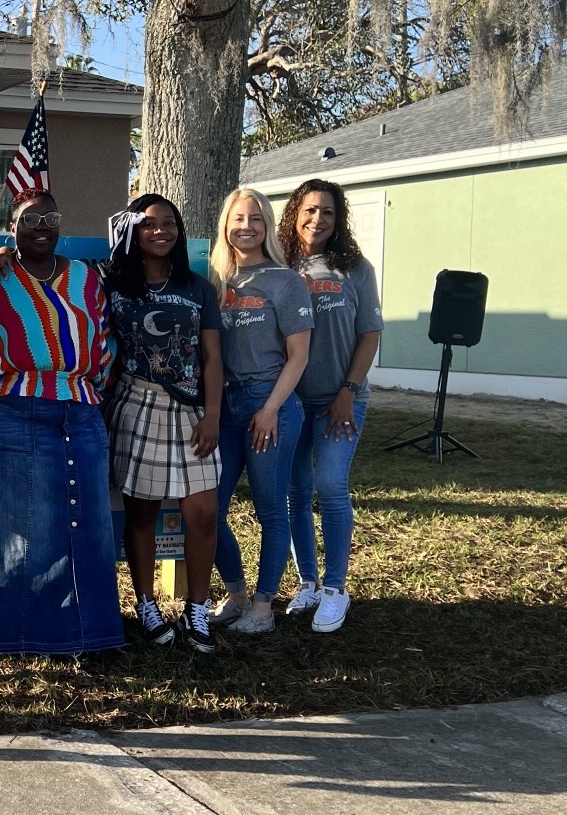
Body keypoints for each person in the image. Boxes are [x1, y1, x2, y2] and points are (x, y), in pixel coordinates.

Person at [0, 188, 123, 656]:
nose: (43, 226)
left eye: (51, 217)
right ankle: (12, 636)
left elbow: (105, 341)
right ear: (13, 228)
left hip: (81, 411)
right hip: (10, 408)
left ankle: (86, 634)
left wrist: (91, 387)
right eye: (31, 219)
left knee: (86, 526)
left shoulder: (88, 280)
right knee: (16, 528)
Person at [101, 194, 224, 653]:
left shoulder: (198, 287)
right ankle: (146, 602)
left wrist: (212, 414)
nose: (160, 231)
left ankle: (197, 607)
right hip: (138, 403)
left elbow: (213, 357)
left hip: (193, 411)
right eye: (149, 224)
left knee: (203, 514)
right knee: (142, 513)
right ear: (133, 229)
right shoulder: (112, 282)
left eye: (169, 223)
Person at [277, 178, 384, 633]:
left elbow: (370, 333)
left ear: (338, 220)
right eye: (309, 210)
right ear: (294, 213)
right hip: (291, 401)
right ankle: (309, 584)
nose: (317, 219)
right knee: (296, 493)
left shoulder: (355, 268)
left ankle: (337, 588)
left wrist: (350, 390)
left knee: (330, 485)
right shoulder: (278, 264)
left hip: (340, 399)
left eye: (328, 212)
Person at [207, 187, 314, 634]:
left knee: (270, 509)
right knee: (208, 507)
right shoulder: (216, 281)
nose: (246, 226)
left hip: (270, 403)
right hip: (227, 405)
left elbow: (299, 356)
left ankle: (264, 607)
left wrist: (271, 408)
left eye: (256, 219)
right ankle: (235, 594)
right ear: (225, 225)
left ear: (267, 226)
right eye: (238, 218)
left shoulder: (286, 281)